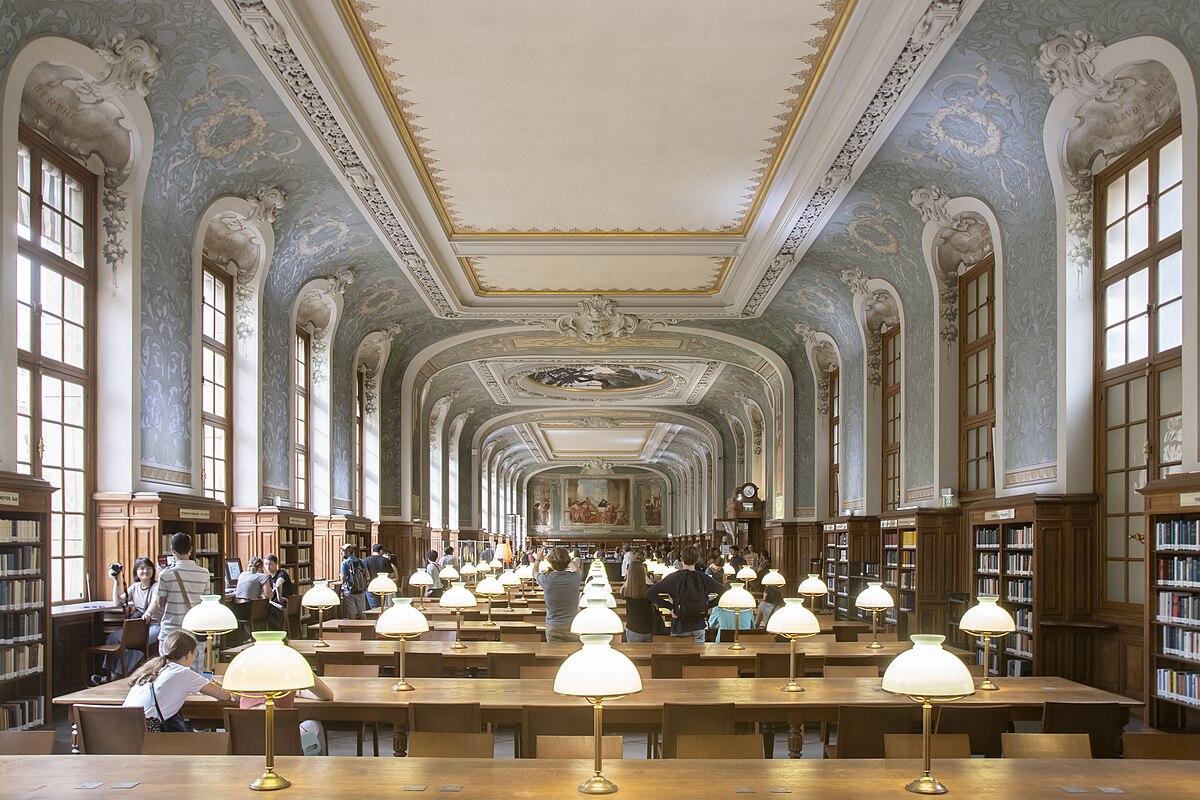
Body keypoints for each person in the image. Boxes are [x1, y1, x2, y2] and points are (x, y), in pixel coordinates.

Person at [122, 631, 231, 731]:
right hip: (147, 732)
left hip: (123, 728)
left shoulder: (153, 668)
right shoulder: (183, 673)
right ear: (188, 654)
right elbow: (224, 696)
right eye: (195, 654)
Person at [143, 532, 213, 671]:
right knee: (194, 674)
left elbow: (160, 603)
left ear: (172, 550)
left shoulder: (166, 575)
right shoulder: (204, 573)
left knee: (168, 671)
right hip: (194, 630)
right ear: (191, 549)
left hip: (171, 631)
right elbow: (206, 602)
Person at [239, 669, 335, 755]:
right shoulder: (293, 664)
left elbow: (232, 695)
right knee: (315, 724)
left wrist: (297, 692)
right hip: (284, 742)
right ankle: (320, 771)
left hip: (247, 743)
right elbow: (327, 695)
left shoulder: (245, 667)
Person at [96, 557, 160, 682]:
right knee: (112, 638)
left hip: (155, 625)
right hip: (140, 626)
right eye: (141, 568)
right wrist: (115, 581)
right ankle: (110, 673)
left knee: (135, 643)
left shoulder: (156, 586)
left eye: (148, 568)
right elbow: (117, 602)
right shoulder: (135, 587)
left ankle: (119, 674)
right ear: (136, 571)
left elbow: (155, 601)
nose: (145, 571)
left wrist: (148, 613)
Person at [646, 545, 727, 642]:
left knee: (680, 656)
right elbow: (724, 592)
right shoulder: (704, 578)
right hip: (698, 624)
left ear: (681, 559)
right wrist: (708, 605)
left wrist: (670, 607)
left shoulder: (674, 577)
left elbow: (650, 593)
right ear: (697, 560)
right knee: (699, 655)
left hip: (680, 624)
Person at [536, 547, 582, 642]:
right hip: (573, 625)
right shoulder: (575, 578)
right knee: (573, 654)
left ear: (550, 563)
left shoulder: (546, 580)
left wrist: (538, 560)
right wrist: (567, 559)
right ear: (568, 560)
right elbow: (577, 569)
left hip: (553, 627)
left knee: (554, 655)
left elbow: (534, 572)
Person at [620, 556, 655, 643]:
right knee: (648, 654)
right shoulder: (649, 589)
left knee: (634, 656)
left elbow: (622, 590)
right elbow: (654, 589)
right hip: (648, 629)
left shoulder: (626, 590)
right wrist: (645, 576)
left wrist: (629, 577)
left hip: (633, 629)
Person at [340, 544, 369, 619]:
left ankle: (352, 628)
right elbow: (368, 575)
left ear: (348, 552)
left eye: (342, 551)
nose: (341, 553)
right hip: (361, 590)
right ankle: (365, 628)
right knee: (362, 612)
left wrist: (342, 583)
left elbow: (343, 578)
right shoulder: (361, 561)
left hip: (349, 590)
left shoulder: (345, 563)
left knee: (351, 613)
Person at [264, 553, 292, 629]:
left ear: (276, 564)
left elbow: (279, 584)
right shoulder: (267, 577)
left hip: (283, 603)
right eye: (265, 564)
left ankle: (275, 630)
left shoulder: (282, 574)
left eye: (270, 564)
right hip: (274, 603)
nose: (267, 567)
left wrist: (279, 597)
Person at [363, 544, 393, 610]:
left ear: (372, 550)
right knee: (381, 605)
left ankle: (375, 619)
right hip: (383, 586)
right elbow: (391, 574)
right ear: (381, 551)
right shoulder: (385, 560)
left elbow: (365, 574)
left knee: (374, 607)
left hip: (370, 586)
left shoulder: (365, 560)